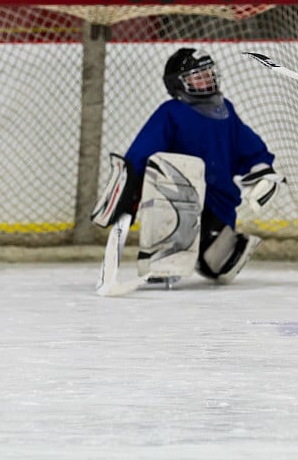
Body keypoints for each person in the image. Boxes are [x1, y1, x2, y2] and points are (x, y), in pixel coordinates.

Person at [91, 48, 285, 284]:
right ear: (177, 84)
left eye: (208, 74)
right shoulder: (171, 112)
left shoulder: (226, 111)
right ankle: (163, 254)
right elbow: (141, 154)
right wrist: (129, 191)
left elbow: (251, 150)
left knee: (219, 267)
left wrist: (262, 172)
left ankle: (205, 247)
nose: (207, 80)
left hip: (219, 206)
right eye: (197, 76)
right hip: (179, 201)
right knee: (172, 171)